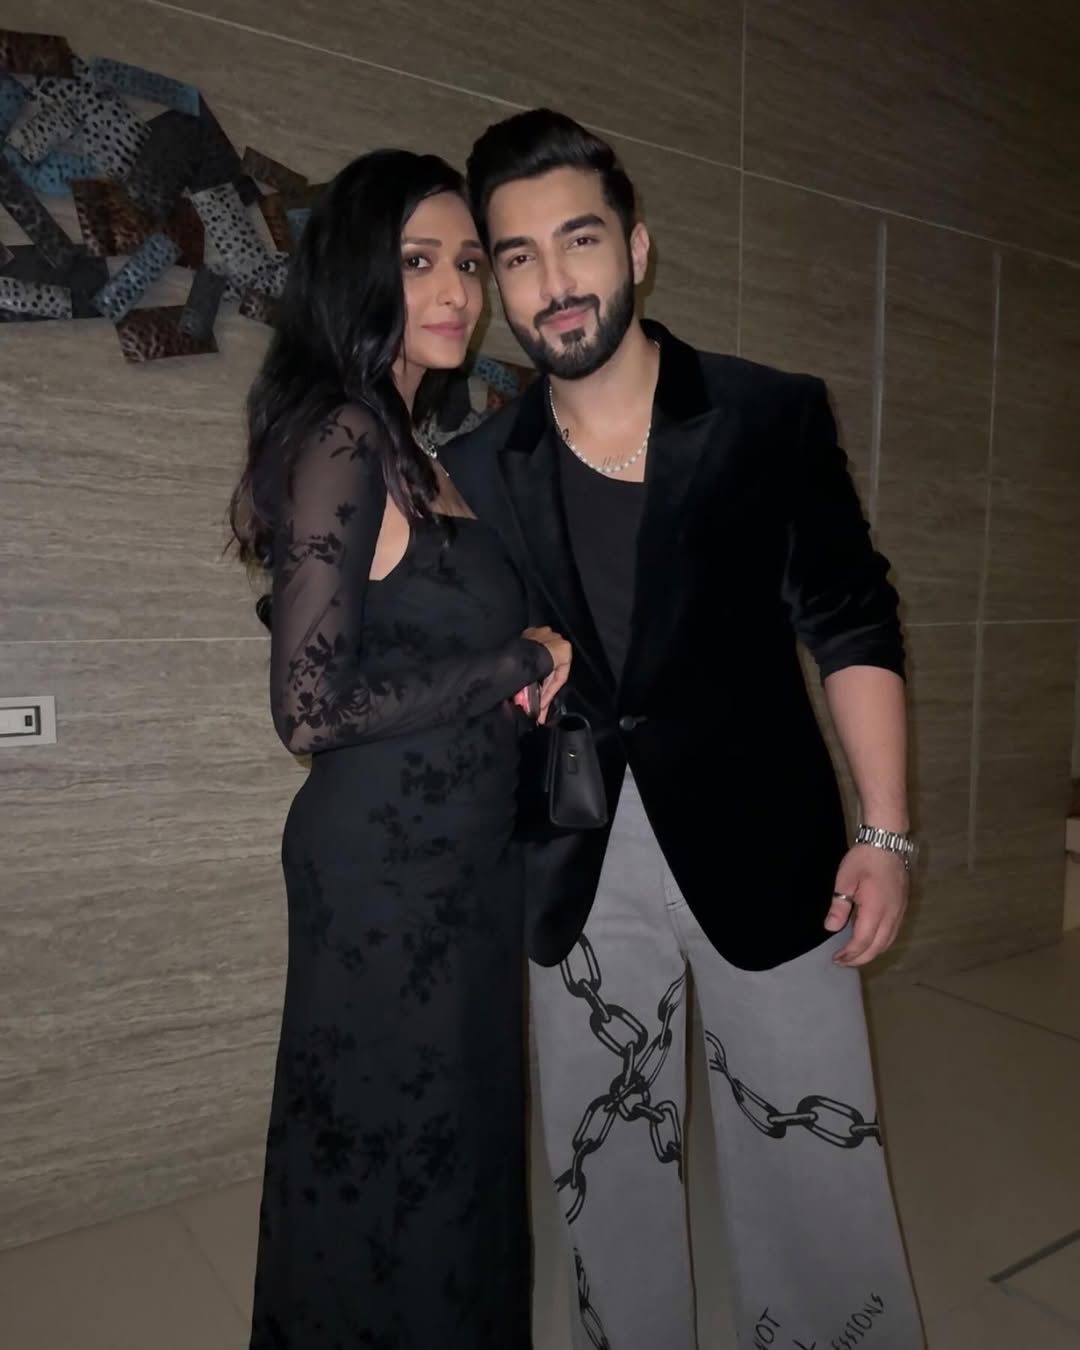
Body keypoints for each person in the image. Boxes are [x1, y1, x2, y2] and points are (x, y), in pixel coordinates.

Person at [442, 110, 925, 1350]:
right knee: (603, 1163)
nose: (554, 282)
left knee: (812, 1151)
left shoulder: (768, 417)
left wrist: (885, 832)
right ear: (499, 285)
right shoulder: (479, 467)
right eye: (518, 257)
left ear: (638, 248)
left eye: (579, 240)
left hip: (773, 847)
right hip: (577, 861)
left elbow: (853, 621)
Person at [228, 148, 570, 1350]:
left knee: (456, 1151)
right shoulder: (343, 436)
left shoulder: (419, 450)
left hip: (463, 861)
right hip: (382, 873)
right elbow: (308, 709)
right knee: (387, 1162)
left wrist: (521, 669)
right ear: (360, 273)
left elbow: (419, 653)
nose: (457, 290)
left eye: (469, 264)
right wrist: (509, 663)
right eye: (421, 261)